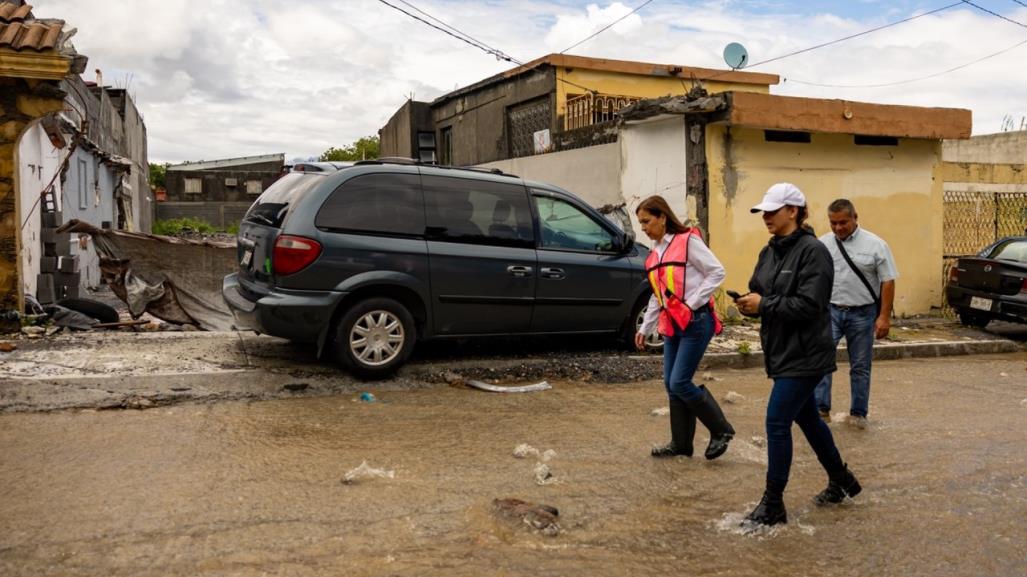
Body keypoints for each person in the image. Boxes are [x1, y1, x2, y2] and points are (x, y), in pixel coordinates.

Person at [734, 183, 861, 527]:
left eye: (773, 211)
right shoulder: (770, 251)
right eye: (764, 212)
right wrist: (750, 303)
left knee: (776, 421)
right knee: (806, 419)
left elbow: (810, 305)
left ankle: (773, 503)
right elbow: (761, 289)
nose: (766, 218)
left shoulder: (813, 251)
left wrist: (766, 304)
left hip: (806, 354)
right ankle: (842, 480)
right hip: (780, 350)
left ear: (794, 211)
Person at [634, 195, 734, 460]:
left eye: (646, 221)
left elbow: (717, 272)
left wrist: (690, 304)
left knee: (679, 382)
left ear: (662, 217)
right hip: (673, 325)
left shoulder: (688, 241)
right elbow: (658, 295)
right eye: (640, 223)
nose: (643, 228)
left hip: (697, 321)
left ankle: (722, 430)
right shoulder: (654, 254)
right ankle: (681, 444)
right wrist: (645, 328)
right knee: (671, 383)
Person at [815, 199, 898, 428]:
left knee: (860, 366)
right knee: (821, 361)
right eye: (833, 223)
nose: (838, 228)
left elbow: (888, 281)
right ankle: (821, 410)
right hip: (830, 311)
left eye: (843, 222)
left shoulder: (876, 245)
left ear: (855, 217)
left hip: (862, 314)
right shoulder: (823, 244)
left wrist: (883, 317)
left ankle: (858, 414)